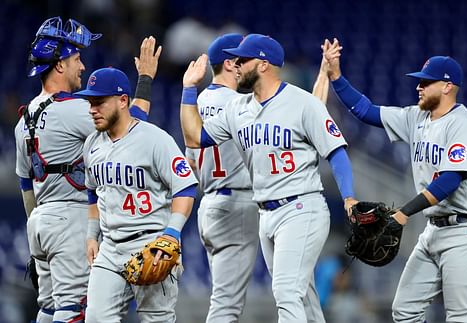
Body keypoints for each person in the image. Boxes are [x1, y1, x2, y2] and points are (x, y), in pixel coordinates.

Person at [180, 33, 357, 323]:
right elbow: (194, 137)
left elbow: (336, 152)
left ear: (263, 65)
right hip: (266, 214)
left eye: (242, 60)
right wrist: (188, 89)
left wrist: (348, 196)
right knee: (304, 298)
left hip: (302, 208)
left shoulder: (301, 102)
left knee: (286, 292)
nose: (235, 65)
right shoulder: (237, 108)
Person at [323, 39, 467, 322]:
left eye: (427, 82)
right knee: (404, 310)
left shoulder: (462, 124)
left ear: (447, 86)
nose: (419, 86)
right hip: (432, 230)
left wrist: (402, 213)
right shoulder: (416, 117)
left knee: (460, 317)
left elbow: (449, 181)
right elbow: (367, 111)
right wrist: (337, 78)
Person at [14, 16, 160, 322]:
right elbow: (132, 130)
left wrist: (38, 229)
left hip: (40, 221)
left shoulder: (24, 118)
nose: (82, 66)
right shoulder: (73, 109)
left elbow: (26, 185)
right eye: (77, 59)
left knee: (49, 308)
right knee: (72, 310)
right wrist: (145, 79)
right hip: (71, 218)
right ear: (59, 65)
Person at [76, 67, 198, 322]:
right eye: (90, 102)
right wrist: (91, 235)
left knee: (156, 319)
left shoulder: (154, 139)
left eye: (99, 102)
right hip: (109, 249)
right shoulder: (92, 144)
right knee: (96, 318)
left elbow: (185, 186)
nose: (92, 109)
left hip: (151, 245)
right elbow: (92, 192)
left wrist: (171, 234)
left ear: (123, 101)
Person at [184, 33, 260, 322]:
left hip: (210, 205)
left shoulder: (196, 102)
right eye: (240, 58)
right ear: (229, 64)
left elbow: (190, 162)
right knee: (226, 306)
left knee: (223, 297)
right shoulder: (242, 105)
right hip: (237, 204)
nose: (245, 63)